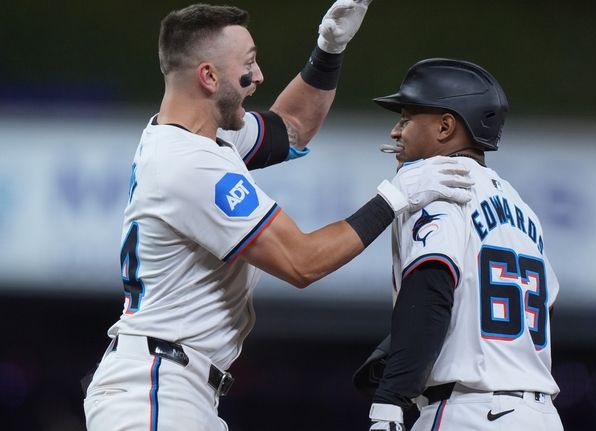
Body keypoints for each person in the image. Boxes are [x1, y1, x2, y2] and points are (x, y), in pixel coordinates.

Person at [82, 3, 475, 430]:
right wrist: (396, 196)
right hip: (157, 388)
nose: (259, 75)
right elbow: (301, 262)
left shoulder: (199, 134)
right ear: (209, 77)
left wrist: (329, 48)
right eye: (248, 64)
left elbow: (291, 126)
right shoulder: (187, 163)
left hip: (173, 384)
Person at [354, 58, 564, 431]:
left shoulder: (433, 186)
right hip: (542, 415)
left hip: (470, 413)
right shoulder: (523, 209)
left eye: (406, 118)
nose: (394, 131)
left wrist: (391, 400)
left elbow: (431, 291)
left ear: (445, 126)